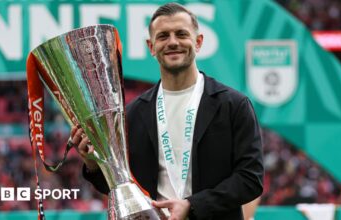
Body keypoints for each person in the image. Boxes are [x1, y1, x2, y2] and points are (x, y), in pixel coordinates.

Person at [71, 3, 263, 220]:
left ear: (198, 42)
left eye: (181, 34)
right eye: (163, 36)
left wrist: (192, 205)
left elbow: (250, 180)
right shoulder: (132, 115)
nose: (173, 42)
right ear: (151, 47)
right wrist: (92, 163)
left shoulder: (233, 105)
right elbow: (119, 186)